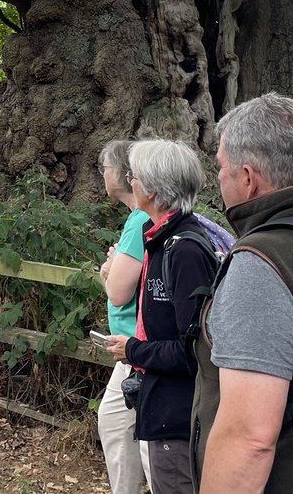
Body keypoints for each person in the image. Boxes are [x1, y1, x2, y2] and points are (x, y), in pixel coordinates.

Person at [192, 92, 293, 493]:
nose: (219, 178)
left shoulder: (263, 263)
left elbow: (249, 439)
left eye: (221, 167)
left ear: (248, 178)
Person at [100, 139, 216, 494]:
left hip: (177, 412)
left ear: (152, 190)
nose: (130, 182)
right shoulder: (161, 240)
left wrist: (133, 350)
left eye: (135, 176)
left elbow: (192, 348)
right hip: (161, 401)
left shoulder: (185, 250)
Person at [95, 140, 152, 494]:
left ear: (121, 173)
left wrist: (108, 272)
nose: (102, 174)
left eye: (104, 167)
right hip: (132, 349)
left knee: (134, 434)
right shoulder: (139, 218)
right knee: (116, 422)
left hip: (138, 349)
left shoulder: (140, 220)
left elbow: (118, 293)